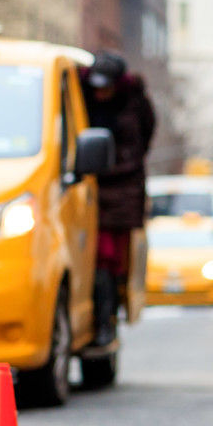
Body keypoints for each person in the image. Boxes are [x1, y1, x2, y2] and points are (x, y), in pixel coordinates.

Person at [79, 52, 156, 347]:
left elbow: (145, 138)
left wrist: (122, 163)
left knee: (109, 257)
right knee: (95, 255)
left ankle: (106, 321)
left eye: (106, 87)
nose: (101, 93)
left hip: (122, 189)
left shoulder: (135, 102)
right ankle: (97, 318)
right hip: (88, 183)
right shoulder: (81, 93)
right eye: (97, 86)